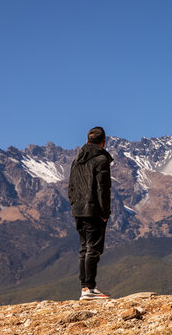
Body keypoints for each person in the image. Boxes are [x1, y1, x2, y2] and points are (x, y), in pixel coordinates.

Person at [68, 126, 113, 300]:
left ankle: (84, 288)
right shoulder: (101, 160)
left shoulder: (76, 161)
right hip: (94, 210)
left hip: (78, 210)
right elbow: (103, 189)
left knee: (84, 248)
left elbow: (71, 187)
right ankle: (90, 288)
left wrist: (74, 204)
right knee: (93, 249)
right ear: (103, 142)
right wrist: (105, 212)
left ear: (87, 141)